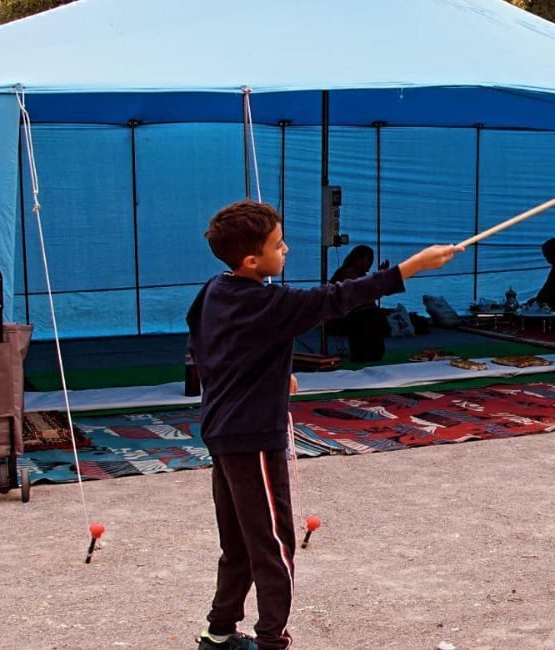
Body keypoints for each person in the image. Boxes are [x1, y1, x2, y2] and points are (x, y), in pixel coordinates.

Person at [187, 200, 460, 648]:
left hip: (222, 431)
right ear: (253, 260)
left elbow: (205, 339)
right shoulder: (270, 302)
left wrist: (272, 367)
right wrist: (410, 267)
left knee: (238, 540)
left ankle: (218, 633)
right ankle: (271, 640)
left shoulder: (214, 290)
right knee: (274, 545)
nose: (287, 249)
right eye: (279, 245)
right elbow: (337, 298)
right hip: (253, 437)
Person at [327, 245, 390, 361]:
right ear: (358, 259)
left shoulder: (359, 274)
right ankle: (364, 353)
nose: (370, 263)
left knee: (374, 314)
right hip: (343, 316)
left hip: (355, 314)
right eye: (368, 259)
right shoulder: (347, 273)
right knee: (370, 315)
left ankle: (371, 352)